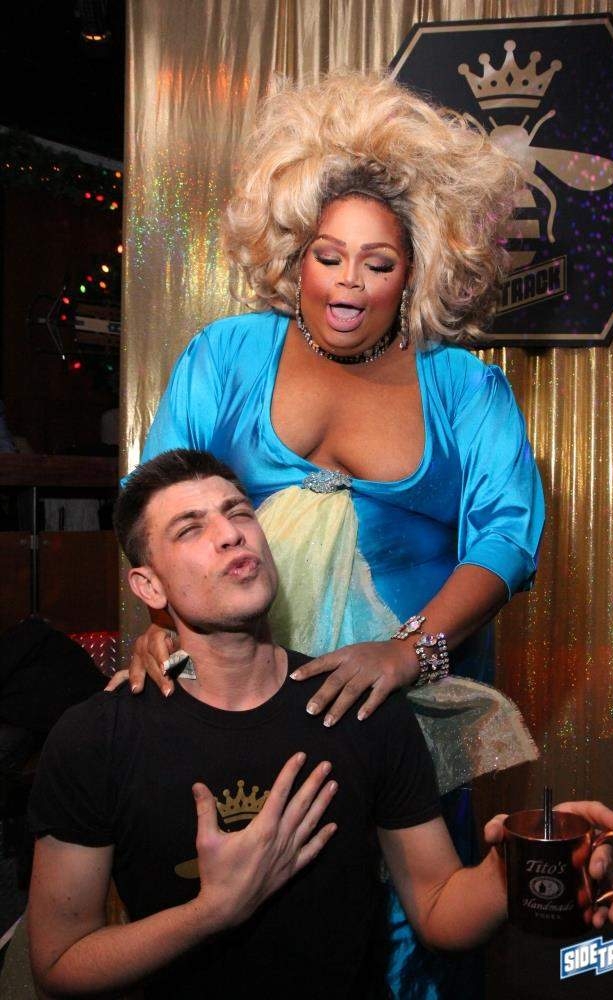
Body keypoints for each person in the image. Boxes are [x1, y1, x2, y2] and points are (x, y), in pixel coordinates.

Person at [117, 70, 546, 996]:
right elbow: (155, 501)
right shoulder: (228, 353)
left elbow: (508, 541)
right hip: (250, 706)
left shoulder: (465, 387)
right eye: (328, 254)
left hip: (406, 716)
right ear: (296, 255)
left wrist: (407, 654)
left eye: (378, 262)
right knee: (257, 923)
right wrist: (159, 622)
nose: (349, 281)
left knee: (414, 934)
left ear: (415, 271)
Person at [27, 451, 613, 1000]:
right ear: (149, 585)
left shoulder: (359, 707)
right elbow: (58, 964)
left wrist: (514, 869)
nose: (231, 533)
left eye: (239, 512)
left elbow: (439, 910)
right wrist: (213, 910)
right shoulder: (97, 737)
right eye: (190, 528)